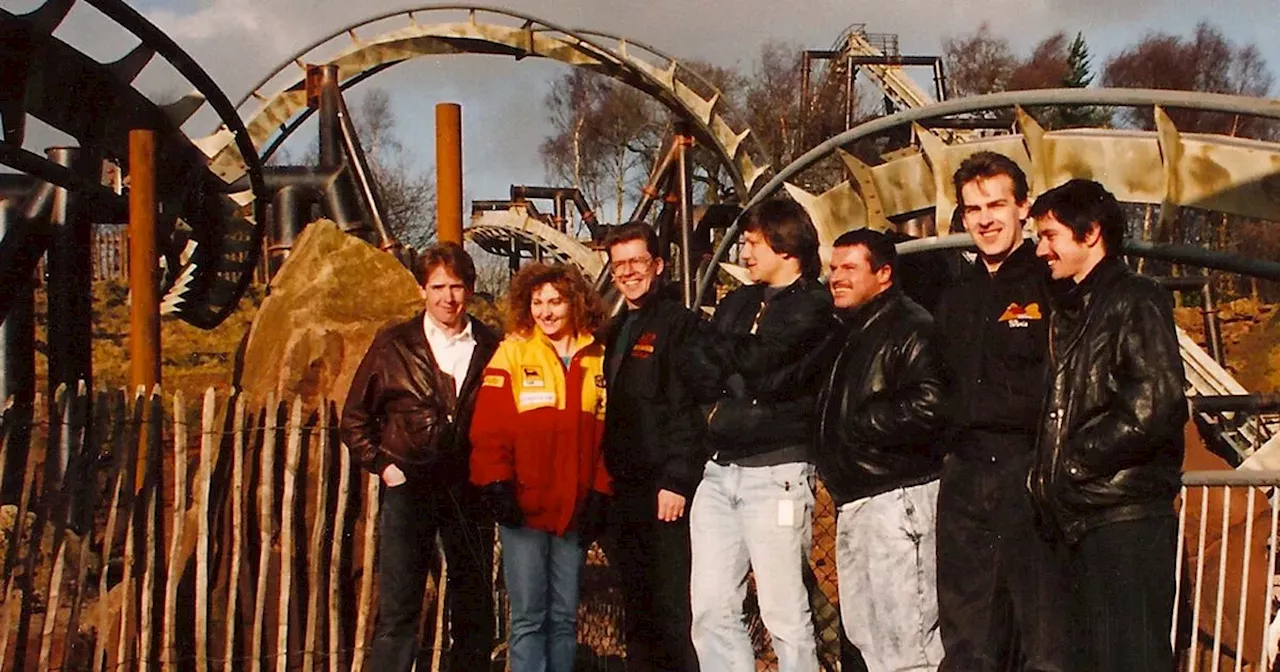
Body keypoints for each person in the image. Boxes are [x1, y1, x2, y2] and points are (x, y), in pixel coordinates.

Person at [1027, 179, 1187, 671]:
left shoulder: (1133, 298)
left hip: (1123, 517)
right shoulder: (1076, 307)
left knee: (1131, 657)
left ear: (1091, 233)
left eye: (1050, 235)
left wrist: (1073, 461)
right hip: (1087, 516)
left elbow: (1156, 402)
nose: (1040, 249)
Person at [681, 198, 837, 672]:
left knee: (784, 613)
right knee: (710, 608)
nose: (745, 252)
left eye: (753, 242)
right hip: (719, 471)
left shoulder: (814, 305)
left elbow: (769, 373)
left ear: (785, 245)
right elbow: (697, 363)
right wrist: (737, 359)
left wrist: (730, 356)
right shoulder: (740, 301)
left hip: (777, 475)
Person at [935, 151, 1068, 672]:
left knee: (1043, 630)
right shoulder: (956, 296)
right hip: (965, 472)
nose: (985, 219)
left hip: (1028, 467)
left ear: (1024, 208)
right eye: (973, 209)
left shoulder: (1051, 284)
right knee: (967, 634)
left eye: (996, 205)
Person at [340, 242, 499, 671]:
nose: (448, 297)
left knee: (473, 605)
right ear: (421, 291)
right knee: (399, 608)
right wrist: (385, 467)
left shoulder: (491, 344)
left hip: (468, 487)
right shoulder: (394, 344)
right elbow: (354, 419)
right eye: (438, 287)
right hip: (409, 486)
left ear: (471, 288)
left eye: (458, 286)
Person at [814, 229, 948, 671]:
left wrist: (861, 424)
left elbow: (933, 403)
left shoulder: (910, 327)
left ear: (884, 273)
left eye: (850, 268)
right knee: (870, 641)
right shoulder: (854, 330)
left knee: (908, 648)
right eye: (834, 268)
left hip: (896, 501)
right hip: (858, 500)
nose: (837, 277)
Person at [469, 262, 612, 672]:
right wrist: (496, 481)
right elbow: (489, 427)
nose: (546, 312)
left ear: (576, 304)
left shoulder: (596, 357)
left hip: (573, 507)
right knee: (530, 616)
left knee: (565, 616)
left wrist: (600, 490)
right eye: (537, 302)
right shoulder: (513, 351)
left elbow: (608, 435)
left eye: (556, 301)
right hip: (524, 507)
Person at [598, 222, 704, 671]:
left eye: (637, 261)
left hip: (663, 491)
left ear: (658, 265)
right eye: (619, 264)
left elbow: (691, 407)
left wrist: (677, 478)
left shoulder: (680, 325)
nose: (628, 272)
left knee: (670, 611)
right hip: (625, 490)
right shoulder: (618, 327)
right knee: (637, 610)